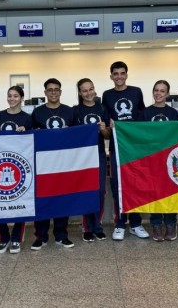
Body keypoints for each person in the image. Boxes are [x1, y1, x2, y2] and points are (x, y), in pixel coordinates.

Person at [102, 61, 149, 241]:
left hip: (134, 147)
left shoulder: (136, 92)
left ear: (127, 75)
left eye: (122, 73)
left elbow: (142, 118)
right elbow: (106, 124)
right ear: (111, 76)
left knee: (135, 185)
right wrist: (109, 126)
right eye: (116, 73)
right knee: (117, 186)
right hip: (117, 147)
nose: (119, 76)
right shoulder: (107, 95)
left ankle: (136, 224)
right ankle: (120, 223)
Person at [30, 78, 75, 250]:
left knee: (62, 199)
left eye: (56, 89)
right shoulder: (38, 112)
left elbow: (77, 135)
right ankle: (40, 236)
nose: (54, 92)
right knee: (42, 199)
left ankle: (61, 235)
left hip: (64, 163)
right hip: (44, 163)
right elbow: (31, 135)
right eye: (50, 90)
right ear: (45, 93)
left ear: (61, 92)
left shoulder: (69, 111)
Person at [0, 85, 33, 254]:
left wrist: (26, 132)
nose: (12, 98)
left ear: (21, 98)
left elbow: (31, 140)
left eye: (15, 96)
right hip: (0, 162)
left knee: (20, 200)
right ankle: (3, 238)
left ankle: (16, 239)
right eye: (10, 95)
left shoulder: (27, 118)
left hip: (20, 164)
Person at [141, 80, 178, 242]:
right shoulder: (144, 112)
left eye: (162, 91)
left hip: (169, 160)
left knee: (170, 192)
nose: (158, 93)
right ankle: (156, 224)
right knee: (154, 193)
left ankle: (171, 223)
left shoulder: (173, 113)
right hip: (152, 160)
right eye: (156, 90)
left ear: (167, 94)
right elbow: (137, 133)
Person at [73, 78, 109, 242]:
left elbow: (108, 134)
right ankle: (87, 228)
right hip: (83, 157)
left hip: (99, 154)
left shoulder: (102, 108)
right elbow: (71, 134)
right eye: (85, 90)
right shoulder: (76, 111)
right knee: (86, 191)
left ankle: (97, 226)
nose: (89, 93)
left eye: (91, 89)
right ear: (80, 93)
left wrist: (103, 130)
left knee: (100, 191)